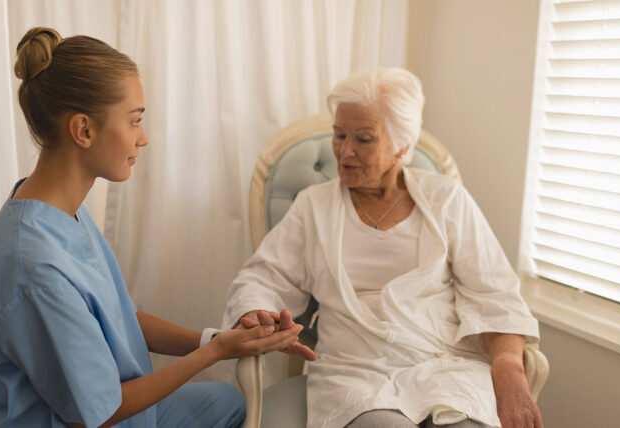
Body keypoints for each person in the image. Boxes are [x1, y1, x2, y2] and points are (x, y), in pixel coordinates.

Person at [0, 27, 303, 428]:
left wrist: (217, 339)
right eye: (134, 121)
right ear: (84, 130)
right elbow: (96, 415)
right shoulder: (34, 267)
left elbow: (122, 318)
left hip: (110, 407)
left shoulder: (60, 211)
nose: (144, 138)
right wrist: (215, 353)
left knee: (227, 401)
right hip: (82, 419)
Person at [223, 68, 543, 428]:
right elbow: (263, 277)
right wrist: (257, 313)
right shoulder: (313, 205)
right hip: (354, 371)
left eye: (364, 139)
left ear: (403, 145)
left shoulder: (446, 198)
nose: (344, 151)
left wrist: (509, 369)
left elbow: (494, 292)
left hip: (444, 366)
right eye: (339, 134)